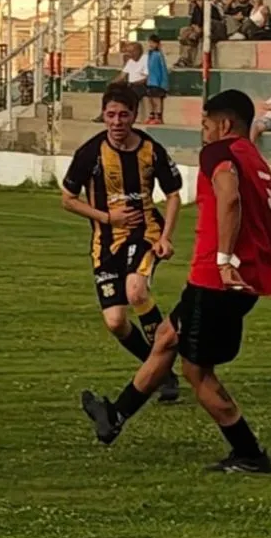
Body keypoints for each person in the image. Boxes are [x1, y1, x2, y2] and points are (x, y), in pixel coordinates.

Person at [81, 89, 271, 473]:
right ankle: (115, 416)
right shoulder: (255, 159)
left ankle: (249, 453)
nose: (202, 132)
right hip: (237, 280)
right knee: (166, 336)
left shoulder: (219, 153)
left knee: (197, 372)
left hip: (216, 281)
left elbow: (229, 198)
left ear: (224, 124)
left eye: (204, 124)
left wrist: (224, 259)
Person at [62, 84, 184, 404]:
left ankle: (163, 363)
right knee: (116, 322)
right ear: (104, 115)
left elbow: (173, 195)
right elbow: (68, 200)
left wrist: (166, 236)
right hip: (105, 242)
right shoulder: (90, 152)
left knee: (136, 290)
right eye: (111, 114)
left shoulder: (150, 149)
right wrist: (106, 217)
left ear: (134, 116)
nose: (117, 121)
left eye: (124, 115)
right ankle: (159, 369)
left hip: (144, 232)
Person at [145, 35, 169, 125]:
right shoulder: (149, 54)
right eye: (150, 42)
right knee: (150, 99)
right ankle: (151, 115)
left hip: (158, 82)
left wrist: (163, 83)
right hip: (150, 81)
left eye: (153, 43)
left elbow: (163, 69)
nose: (151, 44)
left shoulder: (159, 55)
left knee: (157, 100)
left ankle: (158, 117)